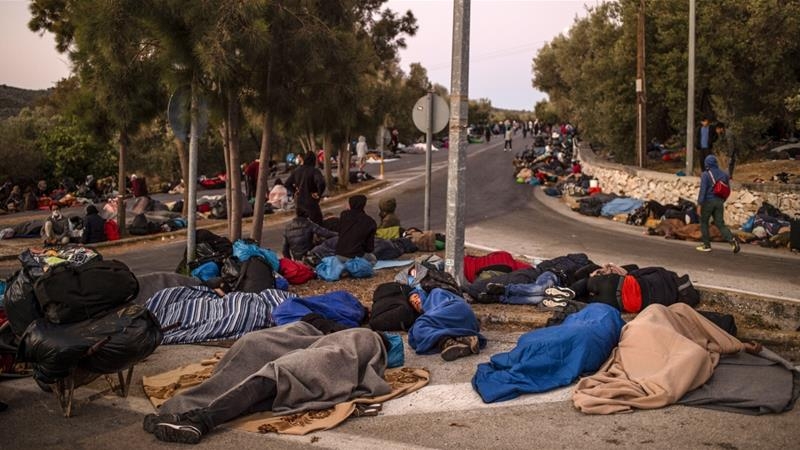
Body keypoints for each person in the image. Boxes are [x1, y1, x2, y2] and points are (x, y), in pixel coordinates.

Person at [142, 322, 395, 444]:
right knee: (264, 390)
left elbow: (340, 355)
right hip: (321, 370)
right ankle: (187, 417)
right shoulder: (353, 338)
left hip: (324, 366)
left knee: (272, 378)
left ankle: (199, 420)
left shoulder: (365, 337)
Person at [407, 287, 485, 361]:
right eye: (412, 303)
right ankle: (464, 338)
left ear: (422, 294)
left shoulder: (435, 293)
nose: (415, 302)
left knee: (419, 326)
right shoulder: (430, 316)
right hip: (469, 324)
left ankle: (447, 343)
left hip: (457, 309)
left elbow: (445, 303)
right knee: (422, 326)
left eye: (416, 297)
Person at [696, 154, 740, 253]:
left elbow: (703, 191)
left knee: (704, 222)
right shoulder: (724, 175)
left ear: (707, 164)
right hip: (719, 202)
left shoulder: (705, 174)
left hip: (708, 202)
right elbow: (727, 190)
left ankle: (706, 245)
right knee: (720, 224)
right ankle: (732, 240)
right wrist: (722, 200)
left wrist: (699, 204)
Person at [284, 151, 326, 225]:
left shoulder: (296, 171)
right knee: (318, 223)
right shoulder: (314, 171)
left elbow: (287, 183)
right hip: (311, 201)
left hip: (299, 202)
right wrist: (318, 193)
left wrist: (295, 191)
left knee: (301, 225)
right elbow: (321, 182)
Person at [335, 194, 377, 265]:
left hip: (339, 255)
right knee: (373, 259)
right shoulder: (370, 222)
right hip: (356, 256)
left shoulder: (344, 215)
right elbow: (369, 248)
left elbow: (340, 232)